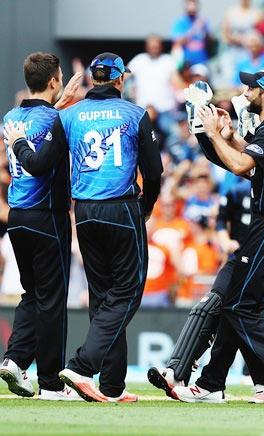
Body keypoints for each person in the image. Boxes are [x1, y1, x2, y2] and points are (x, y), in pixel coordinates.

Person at [153, 72, 264, 405]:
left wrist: (214, 133)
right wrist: (222, 136)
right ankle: (212, 382)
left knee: (239, 304)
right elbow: (248, 161)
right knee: (232, 302)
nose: (245, 92)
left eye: (251, 87)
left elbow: (241, 166)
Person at [10, 52, 163, 402]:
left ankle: (110, 386)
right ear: (121, 79)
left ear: (93, 78)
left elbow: (42, 161)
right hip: (121, 208)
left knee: (103, 297)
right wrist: (147, 206)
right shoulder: (135, 113)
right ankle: (82, 365)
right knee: (126, 293)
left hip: (85, 212)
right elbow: (153, 172)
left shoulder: (70, 115)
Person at [0, 52, 81, 401]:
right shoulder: (55, 120)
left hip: (17, 217)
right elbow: (42, 153)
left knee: (32, 294)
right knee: (52, 299)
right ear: (53, 81)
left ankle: (15, 359)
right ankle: (50, 381)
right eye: (60, 76)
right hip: (46, 215)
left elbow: (42, 122)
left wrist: (60, 105)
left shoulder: (10, 115)